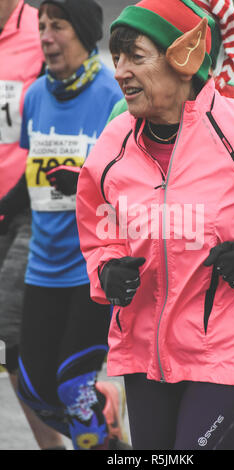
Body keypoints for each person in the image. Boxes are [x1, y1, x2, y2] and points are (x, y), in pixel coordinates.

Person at [76, 0, 234, 450]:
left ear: (184, 59)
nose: (119, 71)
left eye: (136, 56)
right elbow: (99, 225)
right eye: (116, 57)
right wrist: (106, 268)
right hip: (146, 353)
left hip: (233, 352)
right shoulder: (112, 145)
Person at [0, 0, 126, 451]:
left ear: (85, 32)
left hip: (89, 266)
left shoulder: (114, 96)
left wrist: (88, 183)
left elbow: (134, 181)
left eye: (58, 26)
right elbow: (36, 175)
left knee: (73, 388)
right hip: (43, 265)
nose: (47, 36)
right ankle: (103, 415)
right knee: (34, 388)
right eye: (41, 26)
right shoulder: (35, 96)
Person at [0, 0, 66, 450]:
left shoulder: (39, 32)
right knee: (12, 344)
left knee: (14, 329)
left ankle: (86, 425)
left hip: (29, 206)